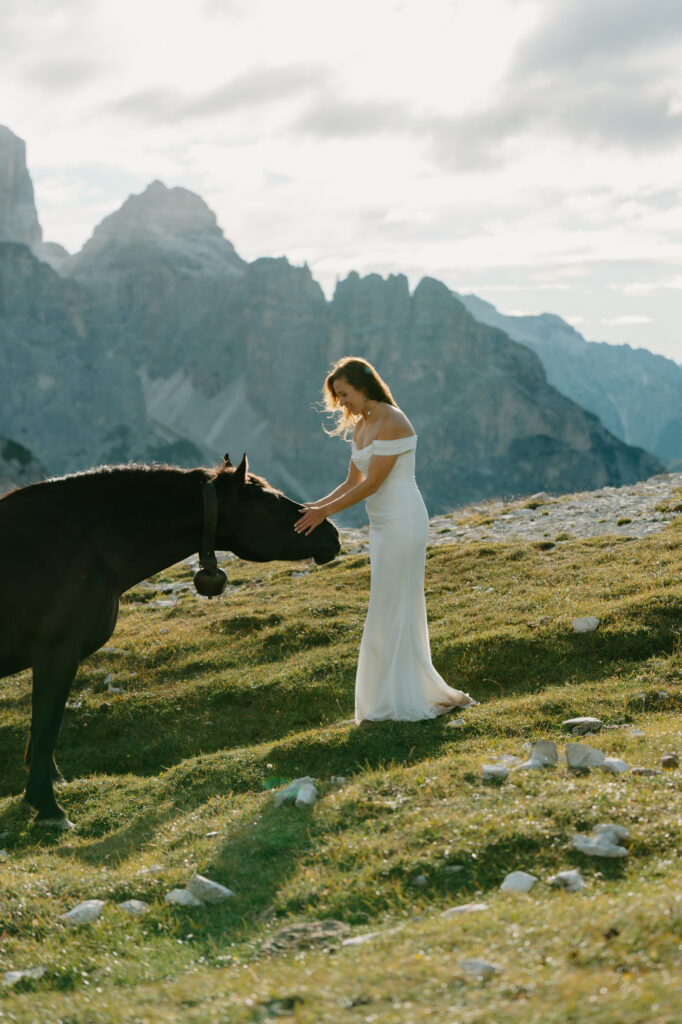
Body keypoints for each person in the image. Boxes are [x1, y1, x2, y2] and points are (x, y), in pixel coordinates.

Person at [295, 356, 476, 723]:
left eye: (344, 395)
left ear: (364, 387)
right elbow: (352, 482)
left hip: (403, 520)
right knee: (390, 604)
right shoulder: (361, 426)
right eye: (338, 397)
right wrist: (315, 506)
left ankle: (397, 700)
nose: (342, 404)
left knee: (391, 605)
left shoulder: (393, 421)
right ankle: (392, 696)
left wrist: (324, 515)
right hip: (381, 526)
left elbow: (374, 483)